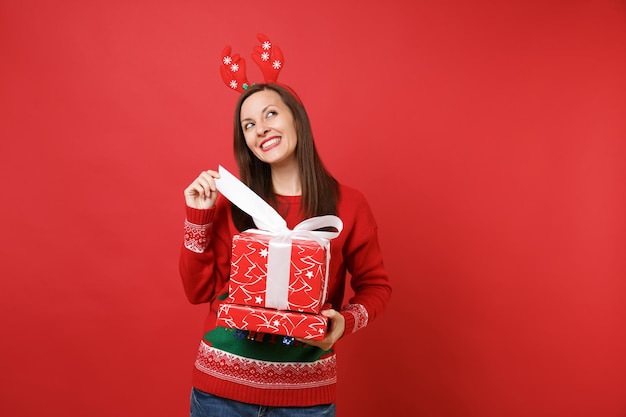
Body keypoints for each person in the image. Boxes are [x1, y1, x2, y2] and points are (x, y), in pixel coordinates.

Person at [180, 81, 392, 416]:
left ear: (297, 118)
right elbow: (198, 291)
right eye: (249, 125)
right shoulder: (234, 202)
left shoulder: (349, 205)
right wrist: (199, 216)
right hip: (220, 393)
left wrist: (343, 324)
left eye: (271, 114)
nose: (261, 128)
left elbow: (376, 286)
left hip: (305, 398)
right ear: (245, 142)